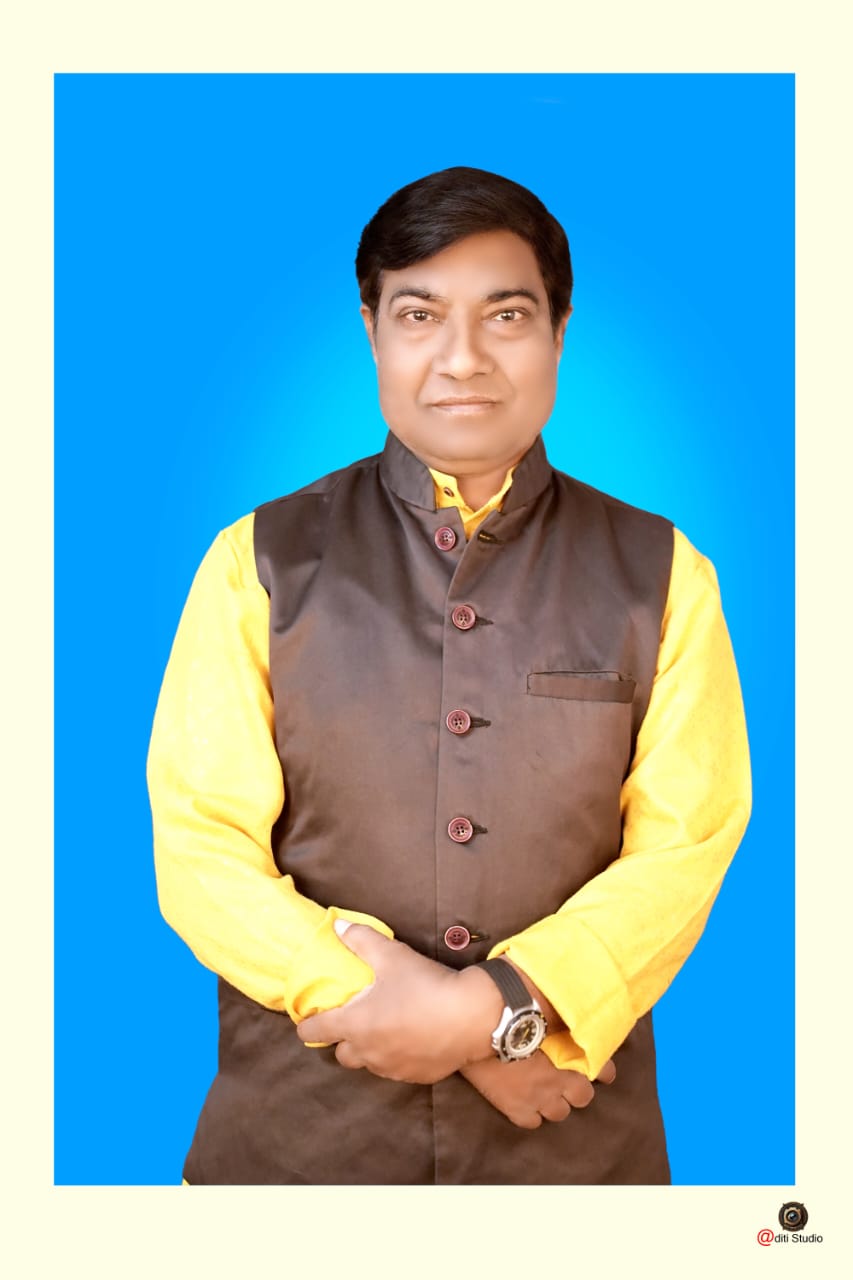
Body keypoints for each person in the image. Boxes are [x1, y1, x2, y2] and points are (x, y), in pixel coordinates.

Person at [147, 166, 751, 1185]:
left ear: (558, 331)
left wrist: (499, 1002)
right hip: (294, 1153)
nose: (462, 358)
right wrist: (463, 1027)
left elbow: (683, 850)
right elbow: (201, 849)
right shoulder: (256, 560)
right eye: (420, 314)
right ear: (372, 332)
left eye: (505, 315)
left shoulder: (664, 574)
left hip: (574, 1165)